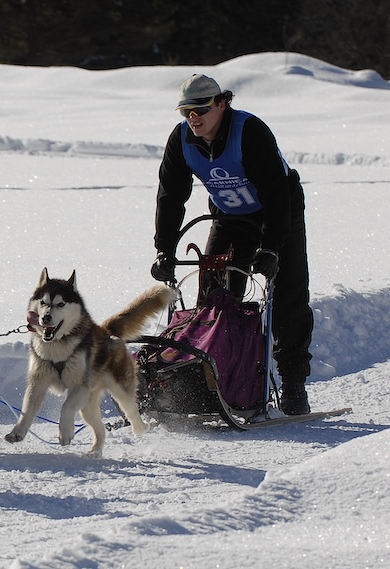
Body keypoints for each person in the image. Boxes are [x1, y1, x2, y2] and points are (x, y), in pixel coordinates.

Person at [150, 74, 314, 415]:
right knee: (212, 300)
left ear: (221, 103)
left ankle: (294, 383)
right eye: (185, 112)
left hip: (278, 212)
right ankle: (211, 384)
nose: (193, 118)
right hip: (229, 217)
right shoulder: (181, 141)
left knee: (287, 294)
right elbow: (170, 196)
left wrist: (270, 248)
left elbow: (276, 193)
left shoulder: (249, 131)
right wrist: (164, 249)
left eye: (200, 109)